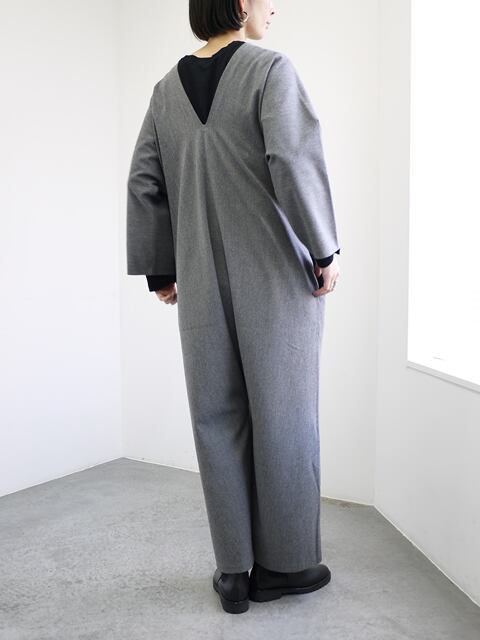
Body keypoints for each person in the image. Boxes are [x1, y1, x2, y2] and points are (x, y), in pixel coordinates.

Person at [126, 0, 341, 614]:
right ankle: (285, 567)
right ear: (241, 2)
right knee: (284, 414)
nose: (276, 8)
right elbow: (291, 159)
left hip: (198, 274)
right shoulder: (270, 70)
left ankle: (233, 572)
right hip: (273, 274)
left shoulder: (165, 91)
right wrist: (324, 248)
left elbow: (144, 180)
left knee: (215, 417)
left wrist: (162, 268)